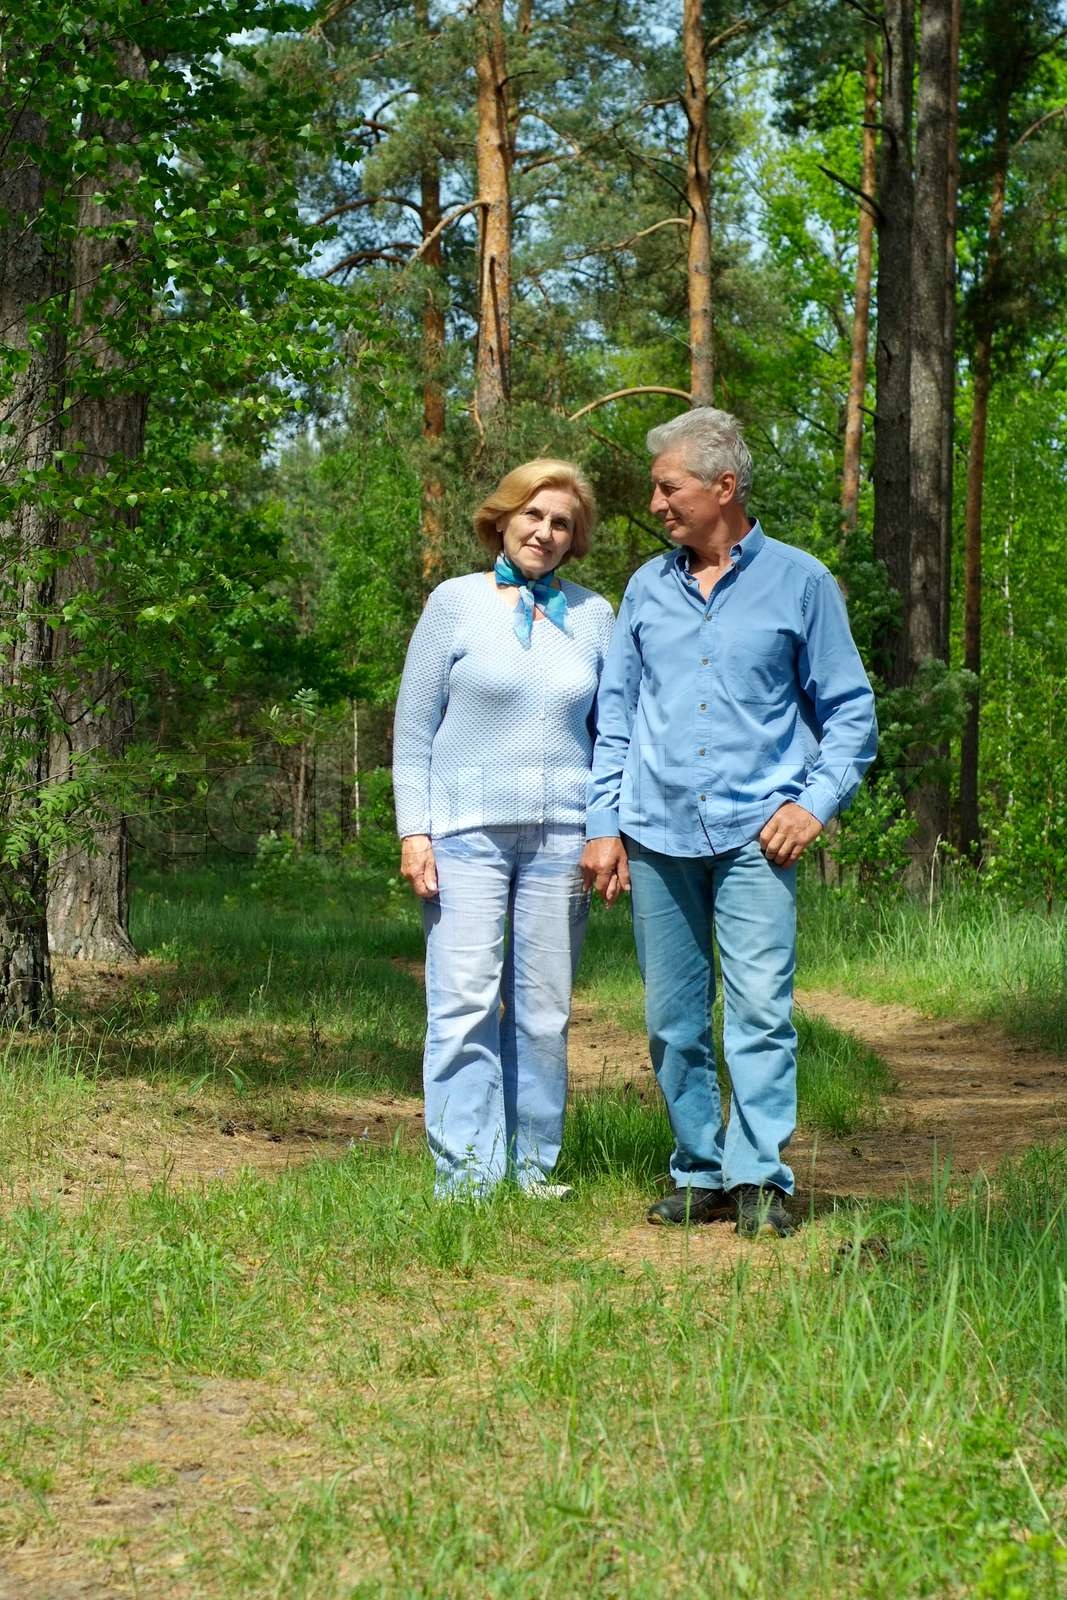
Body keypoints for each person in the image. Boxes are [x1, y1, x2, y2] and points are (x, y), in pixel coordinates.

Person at [581, 408, 877, 1237]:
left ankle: (758, 1177)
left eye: (667, 487)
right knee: (672, 1018)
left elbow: (850, 714)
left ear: (723, 486)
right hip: (655, 828)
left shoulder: (801, 583)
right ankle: (698, 1169)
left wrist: (812, 804)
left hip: (756, 832)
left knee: (757, 1010)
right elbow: (617, 715)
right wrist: (603, 824)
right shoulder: (645, 586)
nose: (655, 502)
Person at [393, 459, 614, 1199]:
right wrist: (412, 831)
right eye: (534, 516)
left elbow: (612, 735)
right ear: (503, 518)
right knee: (462, 1004)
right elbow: (413, 730)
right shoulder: (452, 604)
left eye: (561, 524)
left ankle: (532, 1172)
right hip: (463, 836)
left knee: (544, 1013)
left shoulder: (594, 616)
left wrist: (604, 832)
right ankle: (466, 1179)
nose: (545, 533)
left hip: (562, 838)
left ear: (574, 539)